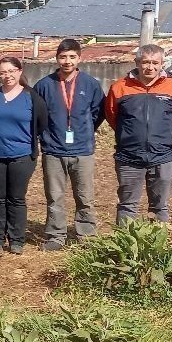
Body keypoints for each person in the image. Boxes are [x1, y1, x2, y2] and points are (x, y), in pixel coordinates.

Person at [105, 44, 172, 225]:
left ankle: (158, 248)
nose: (150, 67)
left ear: (162, 64)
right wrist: (129, 136)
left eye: (155, 63)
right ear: (137, 63)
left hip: (164, 156)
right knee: (127, 205)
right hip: (129, 157)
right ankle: (127, 250)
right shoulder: (119, 87)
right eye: (145, 62)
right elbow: (113, 117)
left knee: (160, 206)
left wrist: (167, 138)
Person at [33, 39, 105, 251]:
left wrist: (86, 129)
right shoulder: (44, 85)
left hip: (82, 149)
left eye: (72, 57)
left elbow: (99, 112)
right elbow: (38, 115)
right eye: (63, 57)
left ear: (79, 58)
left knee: (85, 195)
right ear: (57, 59)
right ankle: (56, 235)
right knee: (54, 196)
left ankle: (87, 234)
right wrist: (46, 136)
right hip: (53, 150)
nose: (67, 61)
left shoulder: (90, 84)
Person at [0, 57, 48, 255]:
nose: (7, 76)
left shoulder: (32, 97)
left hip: (22, 156)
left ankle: (17, 239)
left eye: (11, 71)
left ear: (20, 71)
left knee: (16, 198)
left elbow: (42, 123)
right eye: (3, 72)